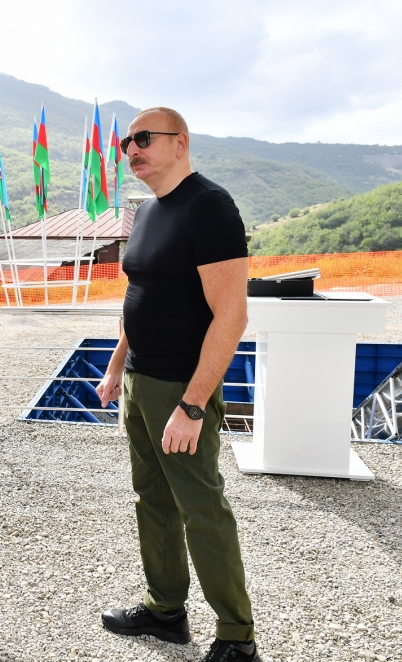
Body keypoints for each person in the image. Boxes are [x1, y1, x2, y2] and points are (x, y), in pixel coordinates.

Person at [95, 108, 260, 662]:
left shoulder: (209, 206)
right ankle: (166, 611)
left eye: (143, 138)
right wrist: (117, 366)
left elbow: (231, 315)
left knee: (201, 508)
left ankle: (237, 637)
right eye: (127, 142)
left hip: (180, 388)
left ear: (180, 142)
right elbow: (139, 297)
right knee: (152, 499)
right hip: (140, 380)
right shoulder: (146, 211)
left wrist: (192, 404)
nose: (131, 150)